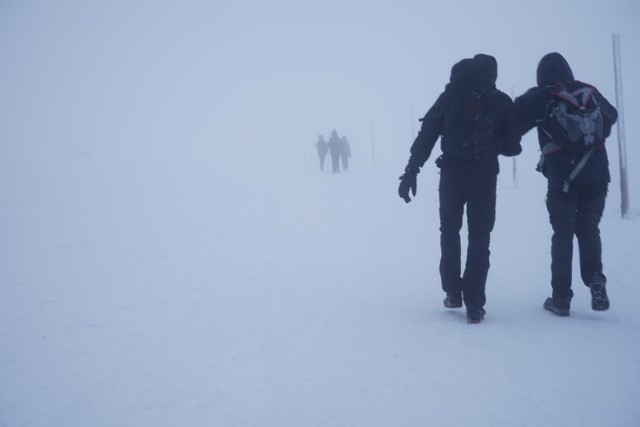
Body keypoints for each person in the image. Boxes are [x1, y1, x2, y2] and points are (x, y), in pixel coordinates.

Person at [398, 54, 521, 323]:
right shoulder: (501, 101)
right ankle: (475, 304)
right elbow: (513, 148)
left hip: (452, 175)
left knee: (450, 230)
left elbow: (428, 133)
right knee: (480, 236)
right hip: (485, 175)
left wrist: (411, 170)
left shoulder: (450, 96)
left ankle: (453, 292)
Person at [513, 52, 618, 316]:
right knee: (589, 227)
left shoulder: (541, 97)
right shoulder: (589, 91)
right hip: (597, 175)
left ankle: (560, 299)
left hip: (563, 180)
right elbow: (612, 115)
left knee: (562, 234)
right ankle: (595, 278)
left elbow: (513, 120)